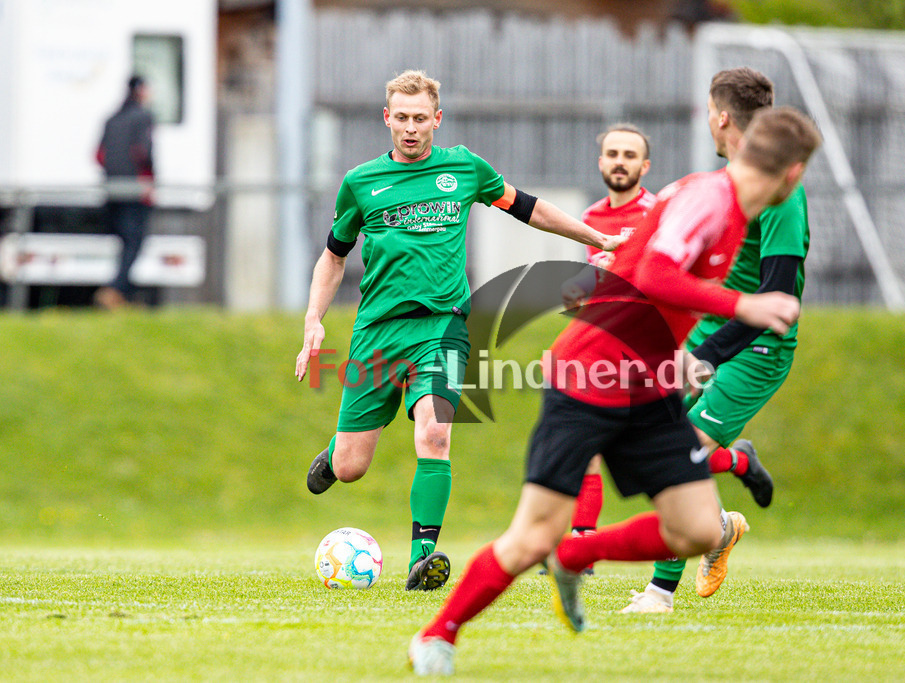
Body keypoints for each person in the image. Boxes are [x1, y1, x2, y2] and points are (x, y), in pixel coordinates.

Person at [408, 106, 822, 675]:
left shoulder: (719, 204)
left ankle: (576, 555)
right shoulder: (712, 201)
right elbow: (654, 275)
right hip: (588, 380)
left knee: (698, 529)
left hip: (648, 389)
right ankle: (438, 634)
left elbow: (633, 267)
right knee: (530, 537)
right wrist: (742, 304)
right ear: (794, 174)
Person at [295, 70, 624, 593]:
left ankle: (423, 558)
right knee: (354, 465)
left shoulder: (464, 168)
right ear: (387, 118)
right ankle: (335, 456)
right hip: (377, 332)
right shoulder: (360, 183)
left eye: (419, 118)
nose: (409, 128)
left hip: (443, 327)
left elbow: (529, 208)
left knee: (435, 431)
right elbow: (333, 258)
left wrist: (594, 235)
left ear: (436, 119)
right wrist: (314, 320)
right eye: (400, 118)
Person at [620, 66, 811, 614]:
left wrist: (701, 356)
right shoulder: (722, 183)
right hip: (708, 337)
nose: (708, 119)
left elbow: (773, 300)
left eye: (708, 110)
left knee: (680, 454)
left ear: (722, 116)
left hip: (757, 352)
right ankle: (721, 524)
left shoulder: (782, 194)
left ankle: (659, 593)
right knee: (651, 443)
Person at [557, 123, 657, 564]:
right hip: (602, 349)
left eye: (629, 155)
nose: (620, 161)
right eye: (612, 153)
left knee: (656, 453)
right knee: (587, 442)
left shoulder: (659, 213)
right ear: (601, 162)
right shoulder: (592, 218)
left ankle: (736, 462)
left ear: (644, 165)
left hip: (651, 349)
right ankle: (582, 539)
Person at [94, 75, 155, 310]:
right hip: (134, 190)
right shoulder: (142, 117)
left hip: (112, 188)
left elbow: (99, 154)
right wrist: (148, 181)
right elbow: (144, 153)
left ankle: (122, 294)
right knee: (134, 241)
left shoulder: (112, 119)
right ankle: (116, 290)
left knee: (124, 239)